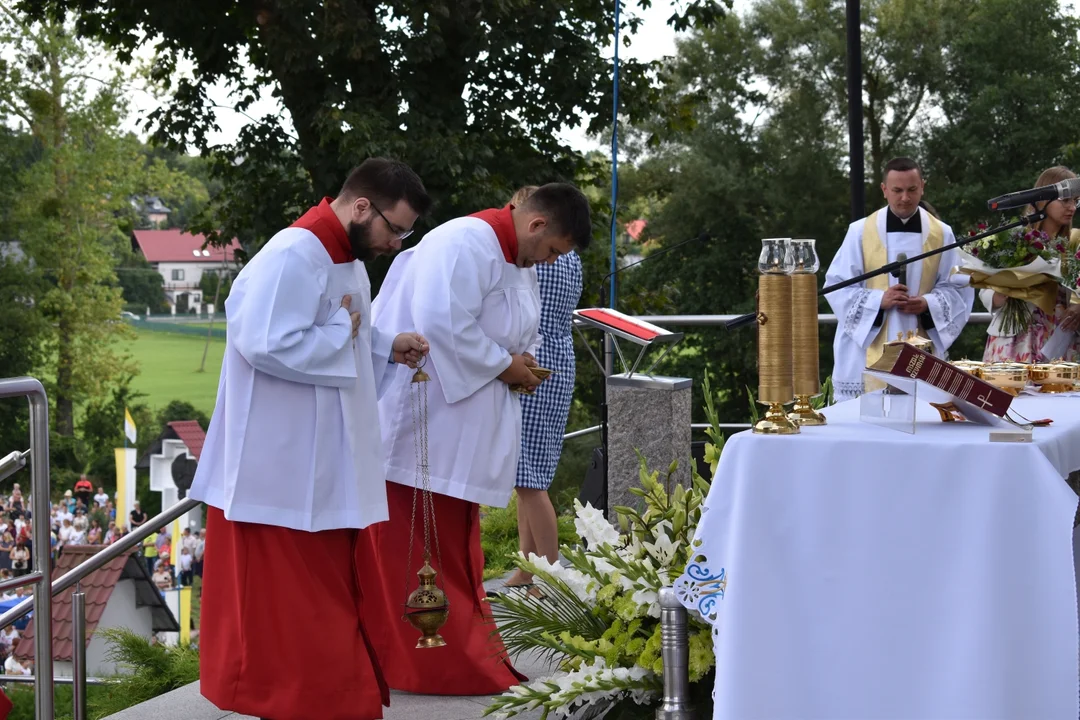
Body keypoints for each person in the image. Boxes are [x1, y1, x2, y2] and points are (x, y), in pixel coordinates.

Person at [187, 157, 432, 720]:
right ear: (361, 206)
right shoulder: (293, 253)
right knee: (294, 598)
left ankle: (328, 695)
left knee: (324, 590)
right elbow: (264, 340)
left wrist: (384, 344)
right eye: (394, 228)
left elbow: (344, 331)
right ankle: (301, 696)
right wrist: (344, 333)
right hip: (279, 459)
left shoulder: (345, 258)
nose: (396, 244)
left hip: (321, 454)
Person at [356, 182, 592, 696]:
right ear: (536, 224)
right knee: (423, 552)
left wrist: (522, 360)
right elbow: (443, 324)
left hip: (461, 426)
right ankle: (435, 663)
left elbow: (515, 328)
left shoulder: (515, 257)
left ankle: (466, 657)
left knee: (455, 550)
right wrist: (506, 365)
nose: (549, 262)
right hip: (425, 426)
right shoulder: (463, 242)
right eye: (552, 250)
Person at [825, 157, 973, 400]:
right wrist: (879, 300)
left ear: (922, 186)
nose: (905, 197)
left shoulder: (942, 233)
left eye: (912, 189)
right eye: (897, 190)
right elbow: (837, 286)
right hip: (866, 348)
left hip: (921, 337)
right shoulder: (860, 231)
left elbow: (958, 287)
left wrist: (928, 303)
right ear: (884, 190)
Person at [501, 186, 583, 592]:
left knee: (529, 478)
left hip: (535, 360)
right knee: (528, 473)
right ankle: (528, 567)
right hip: (561, 355)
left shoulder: (530, 258)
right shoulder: (572, 258)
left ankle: (550, 574)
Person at [982, 166, 1080, 362]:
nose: (1072, 207)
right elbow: (986, 289)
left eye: (1076, 201)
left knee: (1058, 391)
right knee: (1010, 390)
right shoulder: (1015, 237)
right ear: (1043, 198)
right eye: (1065, 200)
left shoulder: (1076, 240)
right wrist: (1002, 294)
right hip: (1014, 338)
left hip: (1059, 339)